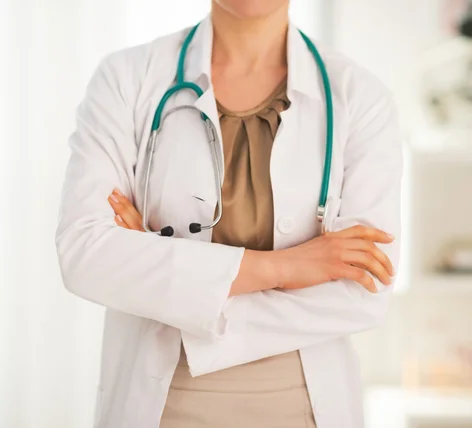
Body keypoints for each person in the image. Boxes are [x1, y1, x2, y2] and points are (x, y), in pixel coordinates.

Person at [55, 1, 403, 427]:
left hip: (304, 410)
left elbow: (363, 291)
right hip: (159, 409)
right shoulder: (126, 79)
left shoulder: (360, 97)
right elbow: (86, 255)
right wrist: (287, 267)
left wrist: (161, 276)